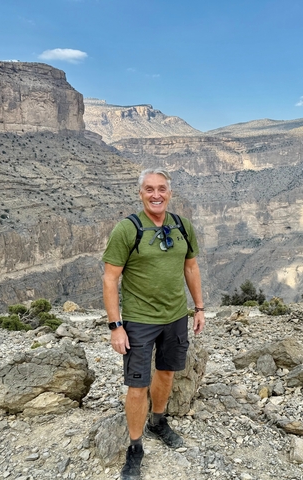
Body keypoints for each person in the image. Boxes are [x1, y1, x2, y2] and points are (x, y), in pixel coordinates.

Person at [102, 168, 205, 480]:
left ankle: (158, 421)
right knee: (137, 385)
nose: (156, 194)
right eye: (149, 189)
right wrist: (115, 326)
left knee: (167, 372)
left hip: (175, 316)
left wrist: (199, 307)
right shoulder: (127, 229)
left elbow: (191, 267)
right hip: (139, 320)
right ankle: (135, 447)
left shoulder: (182, 226)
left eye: (161, 189)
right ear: (140, 193)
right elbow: (110, 279)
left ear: (170, 193)